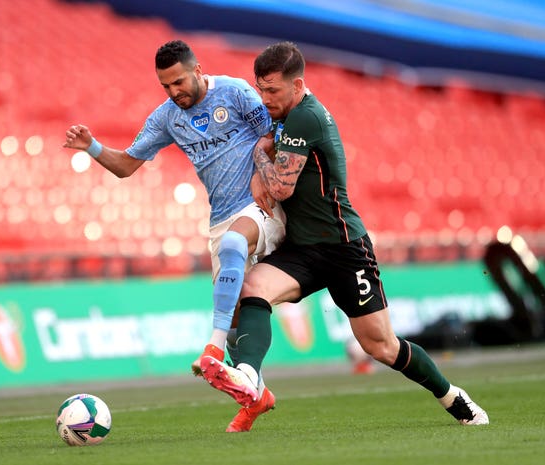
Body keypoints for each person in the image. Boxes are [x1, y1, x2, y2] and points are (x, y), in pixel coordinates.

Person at [200, 41, 489, 432]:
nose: (264, 98)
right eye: (261, 89)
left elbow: (281, 188)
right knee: (251, 288)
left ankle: (452, 396)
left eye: (272, 91)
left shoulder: (306, 118)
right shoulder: (285, 114)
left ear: (298, 85)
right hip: (302, 248)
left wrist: (258, 157)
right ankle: (249, 375)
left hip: (343, 249)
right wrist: (265, 149)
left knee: (381, 346)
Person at [63, 40, 286, 380]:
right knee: (236, 318)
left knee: (233, 245)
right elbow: (125, 166)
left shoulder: (235, 93)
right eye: (165, 85)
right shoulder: (167, 117)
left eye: (179, 81)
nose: (173, 91)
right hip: (221, 218)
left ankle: (211, 347)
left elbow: (275, 136)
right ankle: (251, 388)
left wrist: (260, 173)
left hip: (262, 207)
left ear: (197, 70)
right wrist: (90, 146)